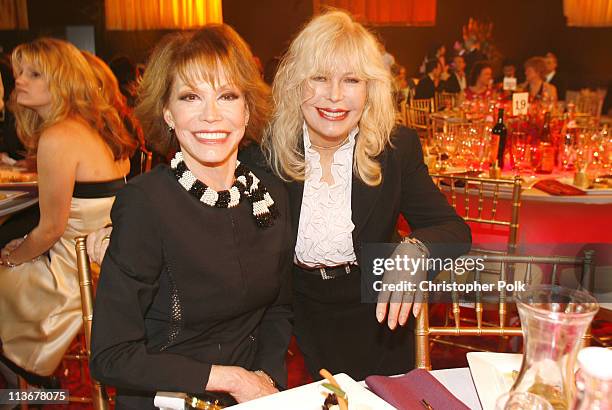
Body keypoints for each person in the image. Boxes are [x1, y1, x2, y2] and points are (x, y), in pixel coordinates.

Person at [88, 25, 293, 409]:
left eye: (227, 96)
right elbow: (110, 356)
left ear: (247, 109)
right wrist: (231, 378)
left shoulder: (269, 195)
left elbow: (279, 309)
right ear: (168, 112)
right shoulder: (145, 204)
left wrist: (263, 378)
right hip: (167, 397)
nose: (211, 115)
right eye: (190, 97)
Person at [262, 11, 471, 381]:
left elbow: (452, 229)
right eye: (320, 78)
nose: (335, 96)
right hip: (294, 318)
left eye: (352, 80)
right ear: (297, 83)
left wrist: (413, 252)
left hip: (379, 315)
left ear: (369, 89)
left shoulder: (395, 148)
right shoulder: (265, 153)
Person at [0, 38, 135, 379]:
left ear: (61, 81)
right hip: (92, 266)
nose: (19, 80)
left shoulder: (59, 135)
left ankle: (23, 389)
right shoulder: (89, 127)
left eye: (34, 74)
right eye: (20, 72)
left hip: (69, 279)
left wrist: (14, 257)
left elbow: (51, 229)